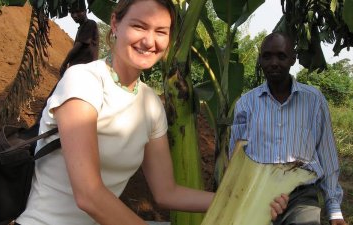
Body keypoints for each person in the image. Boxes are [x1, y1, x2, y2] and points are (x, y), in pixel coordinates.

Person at [15, 1, 288, 224]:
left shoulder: (150, 103)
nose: (149, 41)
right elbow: (89, 195)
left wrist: (242, 200)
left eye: (161, 31)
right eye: (139, 26)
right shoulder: (84, 81)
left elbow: (166, 192)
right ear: (115, 24)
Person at [229, 32, 347, 225]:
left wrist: (334, 210)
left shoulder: (314, 100)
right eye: (267, 56)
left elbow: (327, 155)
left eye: (281, 56)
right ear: (260, 59)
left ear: (293, 59)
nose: (274, 62)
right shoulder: (246, 104)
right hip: (257, 193)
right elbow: (236, 158)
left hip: (301, 196)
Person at [59, 0, 99, 76]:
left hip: (82, 71)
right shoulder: (82, 27)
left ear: (85, 11)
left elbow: (78, 46)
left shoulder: (90, 24)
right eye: (72, 13)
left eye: (77, 12)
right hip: (78, 69)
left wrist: (64, 64)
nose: (74, 15)